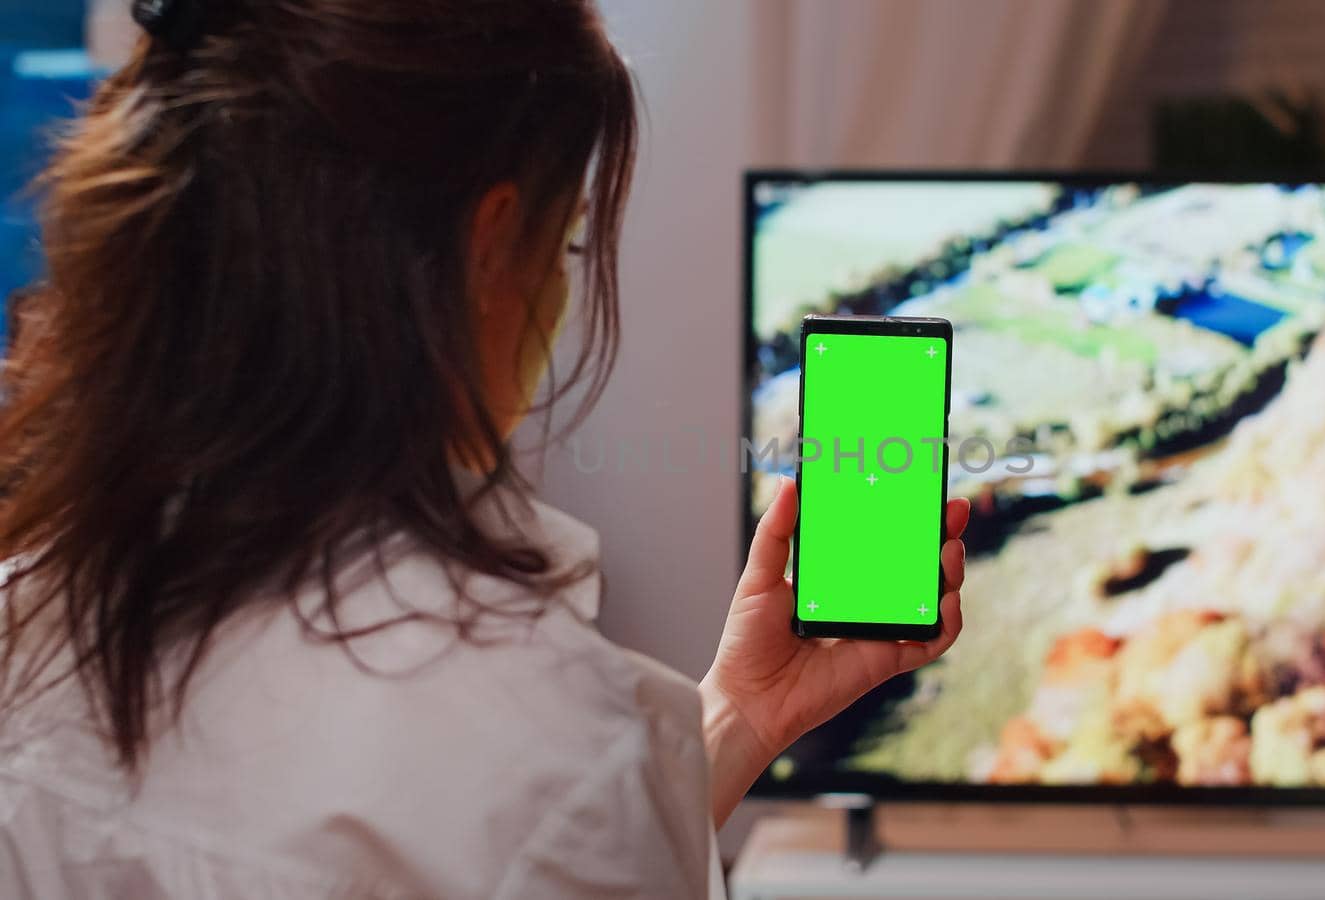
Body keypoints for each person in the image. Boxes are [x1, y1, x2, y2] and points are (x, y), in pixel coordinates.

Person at [0, 1, 968, 898]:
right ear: (492, 243)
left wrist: (742, 719)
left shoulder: (28, 611)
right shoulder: (531, 736)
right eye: (567, 249)